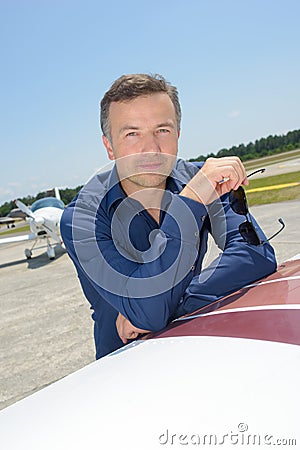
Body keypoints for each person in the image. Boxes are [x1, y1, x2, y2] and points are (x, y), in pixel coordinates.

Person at [60, 73, 277, 359]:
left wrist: (179, 302)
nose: (150, 148)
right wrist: (191, 202)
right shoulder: (81, 218)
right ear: (109, 146)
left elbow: (256, 255)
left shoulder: (201, 178)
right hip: (123, 363)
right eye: (132, 134)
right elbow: (148, 311)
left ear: (178, 133)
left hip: (191, 339)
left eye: (162, 130)